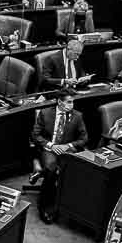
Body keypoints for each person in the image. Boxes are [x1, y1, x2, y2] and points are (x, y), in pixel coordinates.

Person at [29, 95, 87, 223]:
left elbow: (84, 139)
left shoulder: (77, 116)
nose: (71, 105)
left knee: (78, 170)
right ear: (60, 102)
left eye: (73, 102)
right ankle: (44, 206)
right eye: (69, 102)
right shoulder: (45, 113)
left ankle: (68, 206)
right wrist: (52, 145)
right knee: (51, 169)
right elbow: (35, 135)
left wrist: (68, 146)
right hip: (49, 149)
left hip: (67, 150)